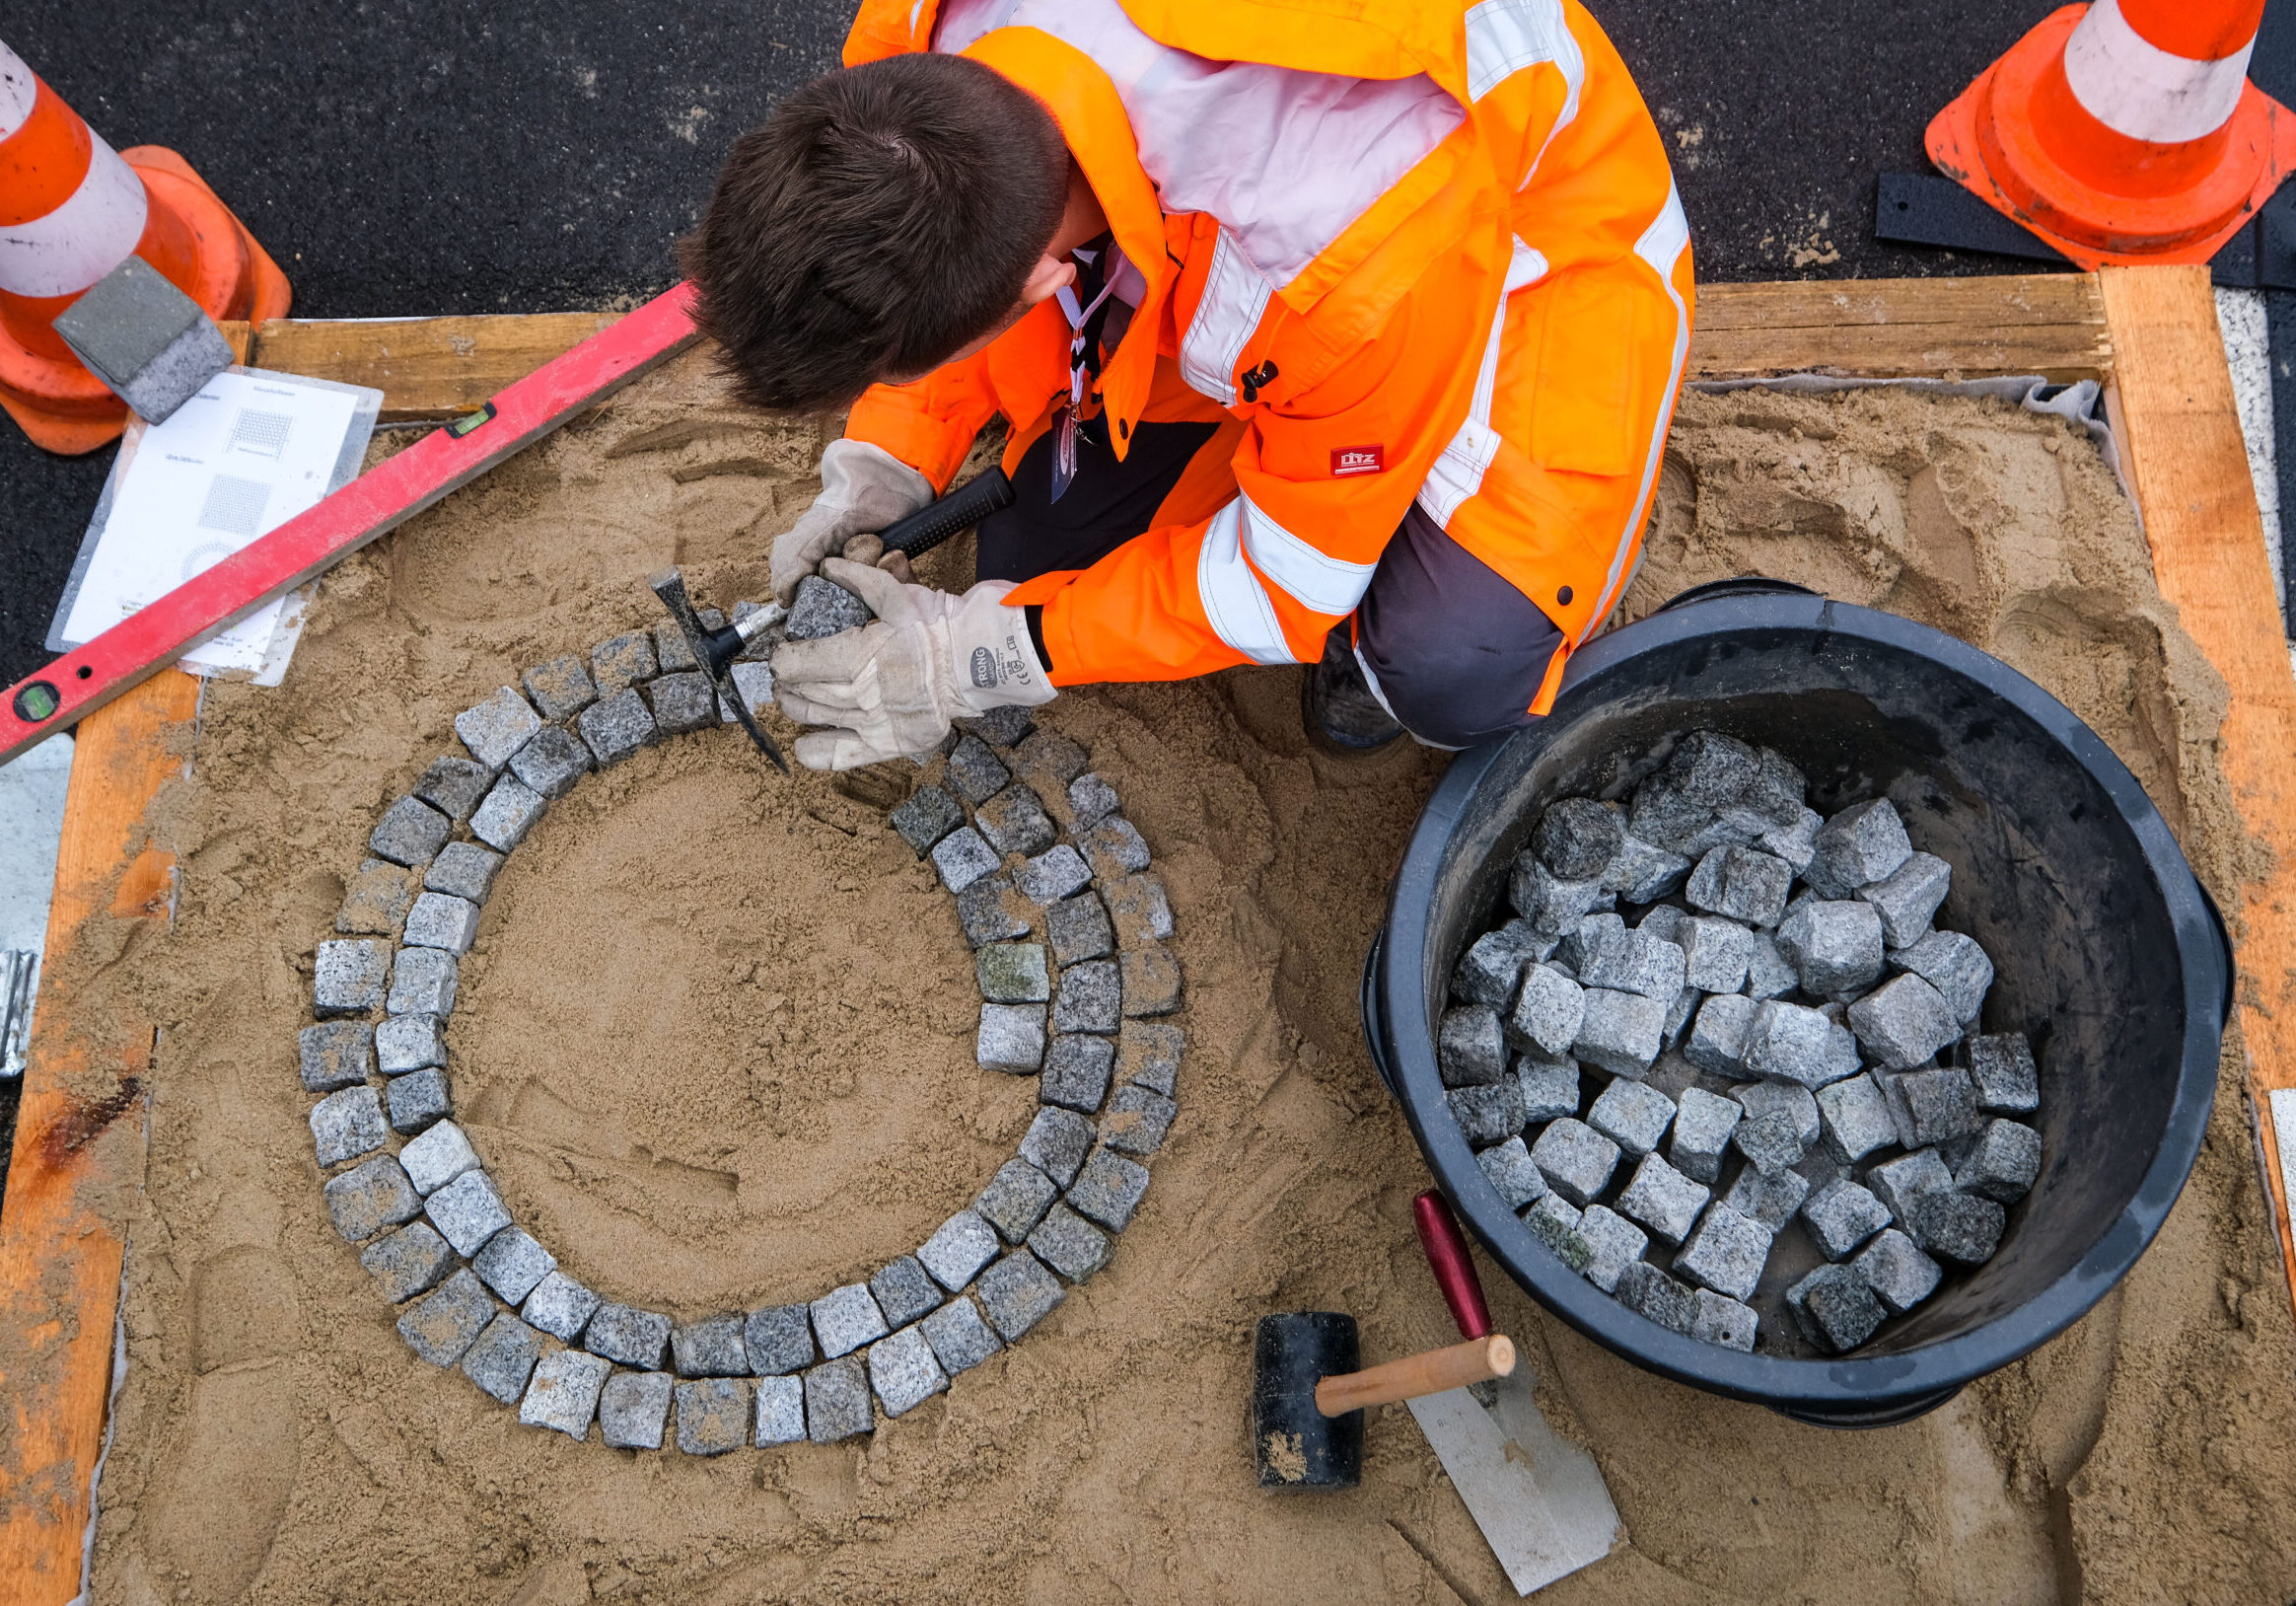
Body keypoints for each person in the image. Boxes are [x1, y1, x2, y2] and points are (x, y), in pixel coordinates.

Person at [682, 0, 1691, 770]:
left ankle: (1473, 574)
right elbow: (939, 246)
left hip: (1530, 241)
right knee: (1036, 544)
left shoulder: (1338, 256)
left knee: (1449, 662)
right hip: (1247, 259)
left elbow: (1288, 584)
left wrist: (978, 658)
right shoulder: (921, 40)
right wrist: (884, 462)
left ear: (1040, 282)